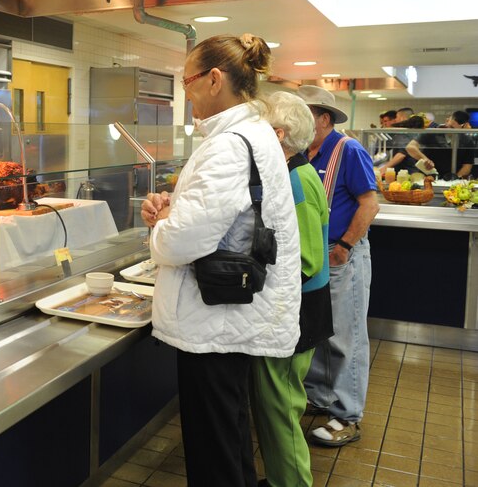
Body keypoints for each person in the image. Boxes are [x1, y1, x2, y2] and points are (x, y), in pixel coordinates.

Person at [140, 34, 300, 487]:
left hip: (216, 321)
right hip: (228, 315)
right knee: (229, 439)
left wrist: (161, 225)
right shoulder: (251, 132)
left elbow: (181, 242)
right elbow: (226, 215)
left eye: (187, 81)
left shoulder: (229, 143)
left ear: (214, 79)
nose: (186, 92)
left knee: (215, 453)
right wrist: (174, 208)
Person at [250, 90, 332, 487]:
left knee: (280, 407)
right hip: (297, 308)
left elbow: (307, 260)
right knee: (275, 406)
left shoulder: (296, 180)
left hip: (297, 311)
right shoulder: (296, 172)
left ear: (279, 134)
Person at [296, 85, 379, 447]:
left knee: (347, 336)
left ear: (324, 118)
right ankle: (321, 396)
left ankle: (348, 415)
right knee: (318, 330)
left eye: (304, 116)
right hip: (316, 255)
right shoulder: (304, 152)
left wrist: (344, 246)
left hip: (342, 255)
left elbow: (369, 204)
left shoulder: (348, 150)